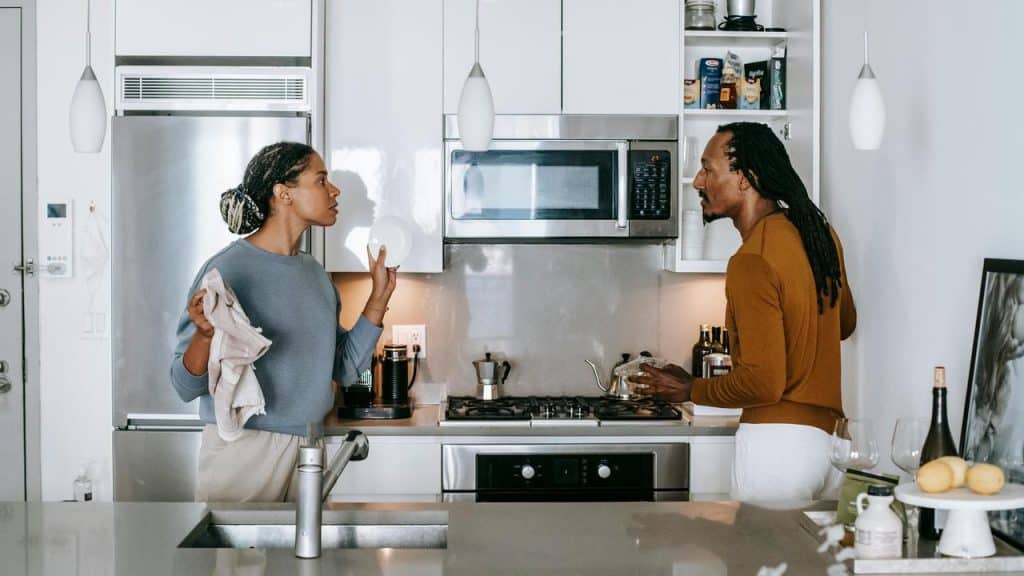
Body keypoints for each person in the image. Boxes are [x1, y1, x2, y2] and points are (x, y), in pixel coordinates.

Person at [633, 123, 857, 502]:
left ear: (744, 178)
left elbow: (762, 384)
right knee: (812, 546)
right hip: (832, 446)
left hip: (779, 450)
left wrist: (690, 389)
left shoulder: (752, 259)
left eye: (708, 168)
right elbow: (844, 324)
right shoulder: (819, 235)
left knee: (758, 545)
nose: (698, 181)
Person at [169, 142, 397, 503]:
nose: (334, 191)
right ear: (283, 193)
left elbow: (344, 368)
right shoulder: (227, 270)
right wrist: (204, 335)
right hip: (244, 450)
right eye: (321, 180)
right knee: (235, 545)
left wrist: (379, 298)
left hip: (308, 447)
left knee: (305, 544)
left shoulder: (315, 275)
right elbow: (184, 385)